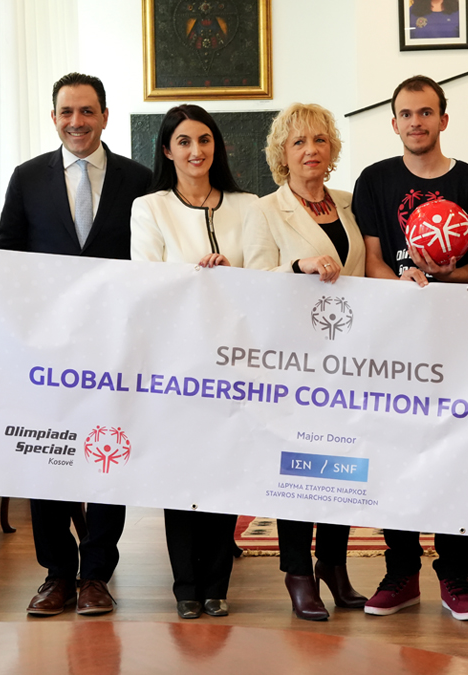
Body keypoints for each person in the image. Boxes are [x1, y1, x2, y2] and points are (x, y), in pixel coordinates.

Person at [0, 72, 152, 617]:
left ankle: (95, 576)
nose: (76, 122)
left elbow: (153, 260)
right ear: (54, 116)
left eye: (87, 111)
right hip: (48, 351)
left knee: (109, 456)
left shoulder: (141, 179)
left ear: (105, 116)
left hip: (116, 346)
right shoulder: (27, 177)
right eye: (66, 112)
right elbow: (7, 252)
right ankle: (56, 574)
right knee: (50, 455)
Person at [352, 75, 468, 620]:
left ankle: (456, 575)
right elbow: (372, 258)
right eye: (406, 114)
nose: (416, 122)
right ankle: (400, 571)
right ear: (394, 123)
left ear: (443, 120)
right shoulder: (374, 181)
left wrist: (448, 280)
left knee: (456, 453)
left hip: (460, 341)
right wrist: (407, 289)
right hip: (395, 340)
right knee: (396, 454)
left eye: (426, 112)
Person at [131, 104, 258, 619]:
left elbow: (263, 274)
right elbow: (146, 279)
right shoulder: (149, 207)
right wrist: (197, 274)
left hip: (234, 363)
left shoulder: (248, 206)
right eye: (183, 142)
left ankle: (216, 585)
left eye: (204, 140)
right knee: (180, 475)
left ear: (217, 147)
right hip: (175, 365)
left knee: (224, 471)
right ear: (167, 150)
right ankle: (186, 587)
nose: (196, 151)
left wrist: (232, 271)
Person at [243, 102, 367, 621]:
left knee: (342, 464)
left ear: (332, 149)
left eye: (319, 140)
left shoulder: (349, 203)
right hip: (295, 361)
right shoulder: (264, 209)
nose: (311, 150)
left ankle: (334, 567)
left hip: (352, 358)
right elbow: (253, 277)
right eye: (299, 143)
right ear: (282, 155)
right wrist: (298, 265)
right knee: (299, 466)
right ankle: (298, 572)